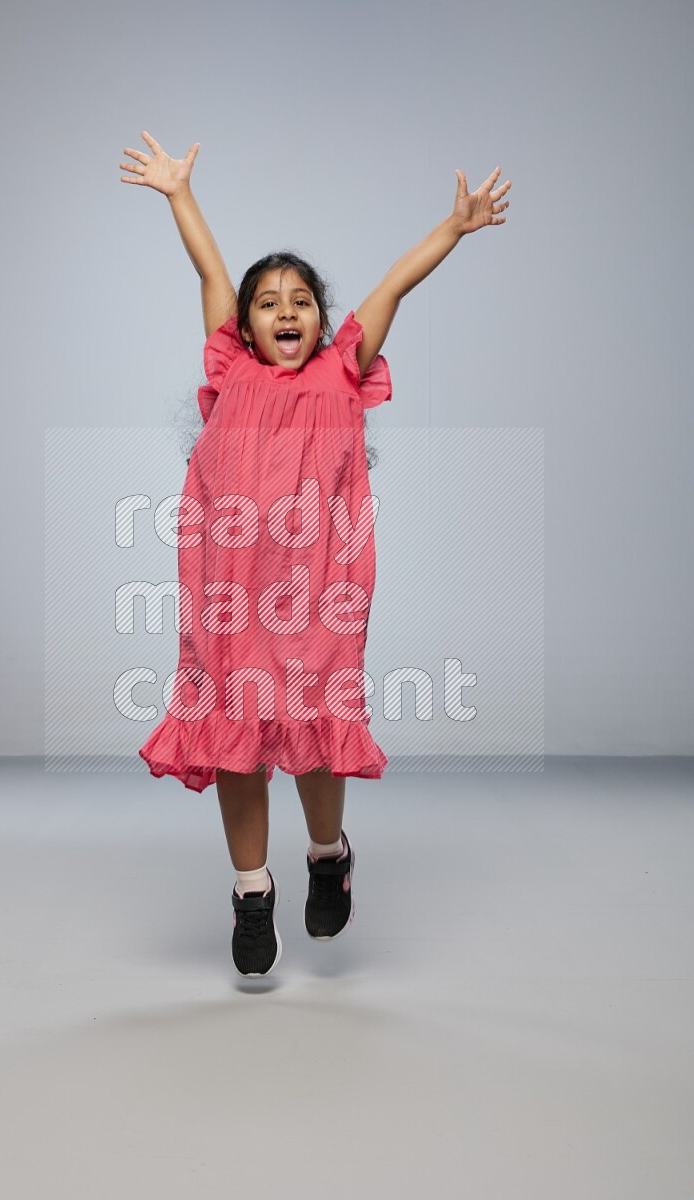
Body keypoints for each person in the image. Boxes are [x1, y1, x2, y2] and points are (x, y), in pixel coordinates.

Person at [119, 130, 512, 979]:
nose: (286, 310)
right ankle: (252, 892)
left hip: (316, 597)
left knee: (314, 738)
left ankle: (327, 854)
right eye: (269, 302)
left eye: (301, 299)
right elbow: (209, 274)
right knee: (233, 739)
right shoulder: (229, 372)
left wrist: (455, 228)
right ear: (246, 326)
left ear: (324, 322)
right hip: (228, 597)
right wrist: (180, 194)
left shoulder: (342, 374)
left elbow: (396, 283)